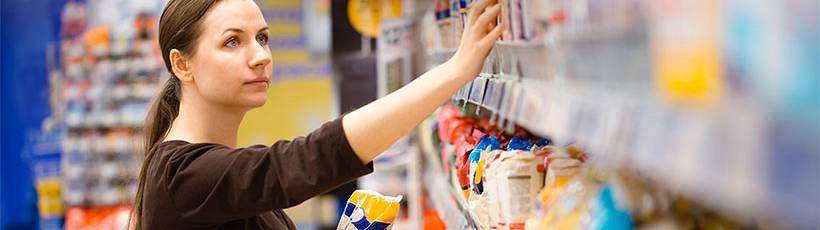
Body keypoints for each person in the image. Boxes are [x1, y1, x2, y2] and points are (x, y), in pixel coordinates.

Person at [131, 0, 502, 229]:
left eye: (262, 37)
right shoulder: (181, 177)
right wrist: (455, 71)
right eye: (233, 41)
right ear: (182, 65)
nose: (260, 55)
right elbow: (309, 158)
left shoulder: (198, 171)